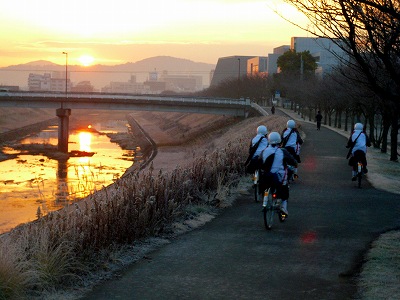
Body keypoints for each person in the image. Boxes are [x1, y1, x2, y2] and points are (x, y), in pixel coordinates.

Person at [259, 132, 298, 215]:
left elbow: (260, 162)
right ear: (279, 140)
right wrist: (295, 164)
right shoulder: (282, 151)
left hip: (267, 176)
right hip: (280, 176)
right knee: (285, 189)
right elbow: (292, 160)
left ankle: (265, 201)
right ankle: (283, 207)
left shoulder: (264, 151)